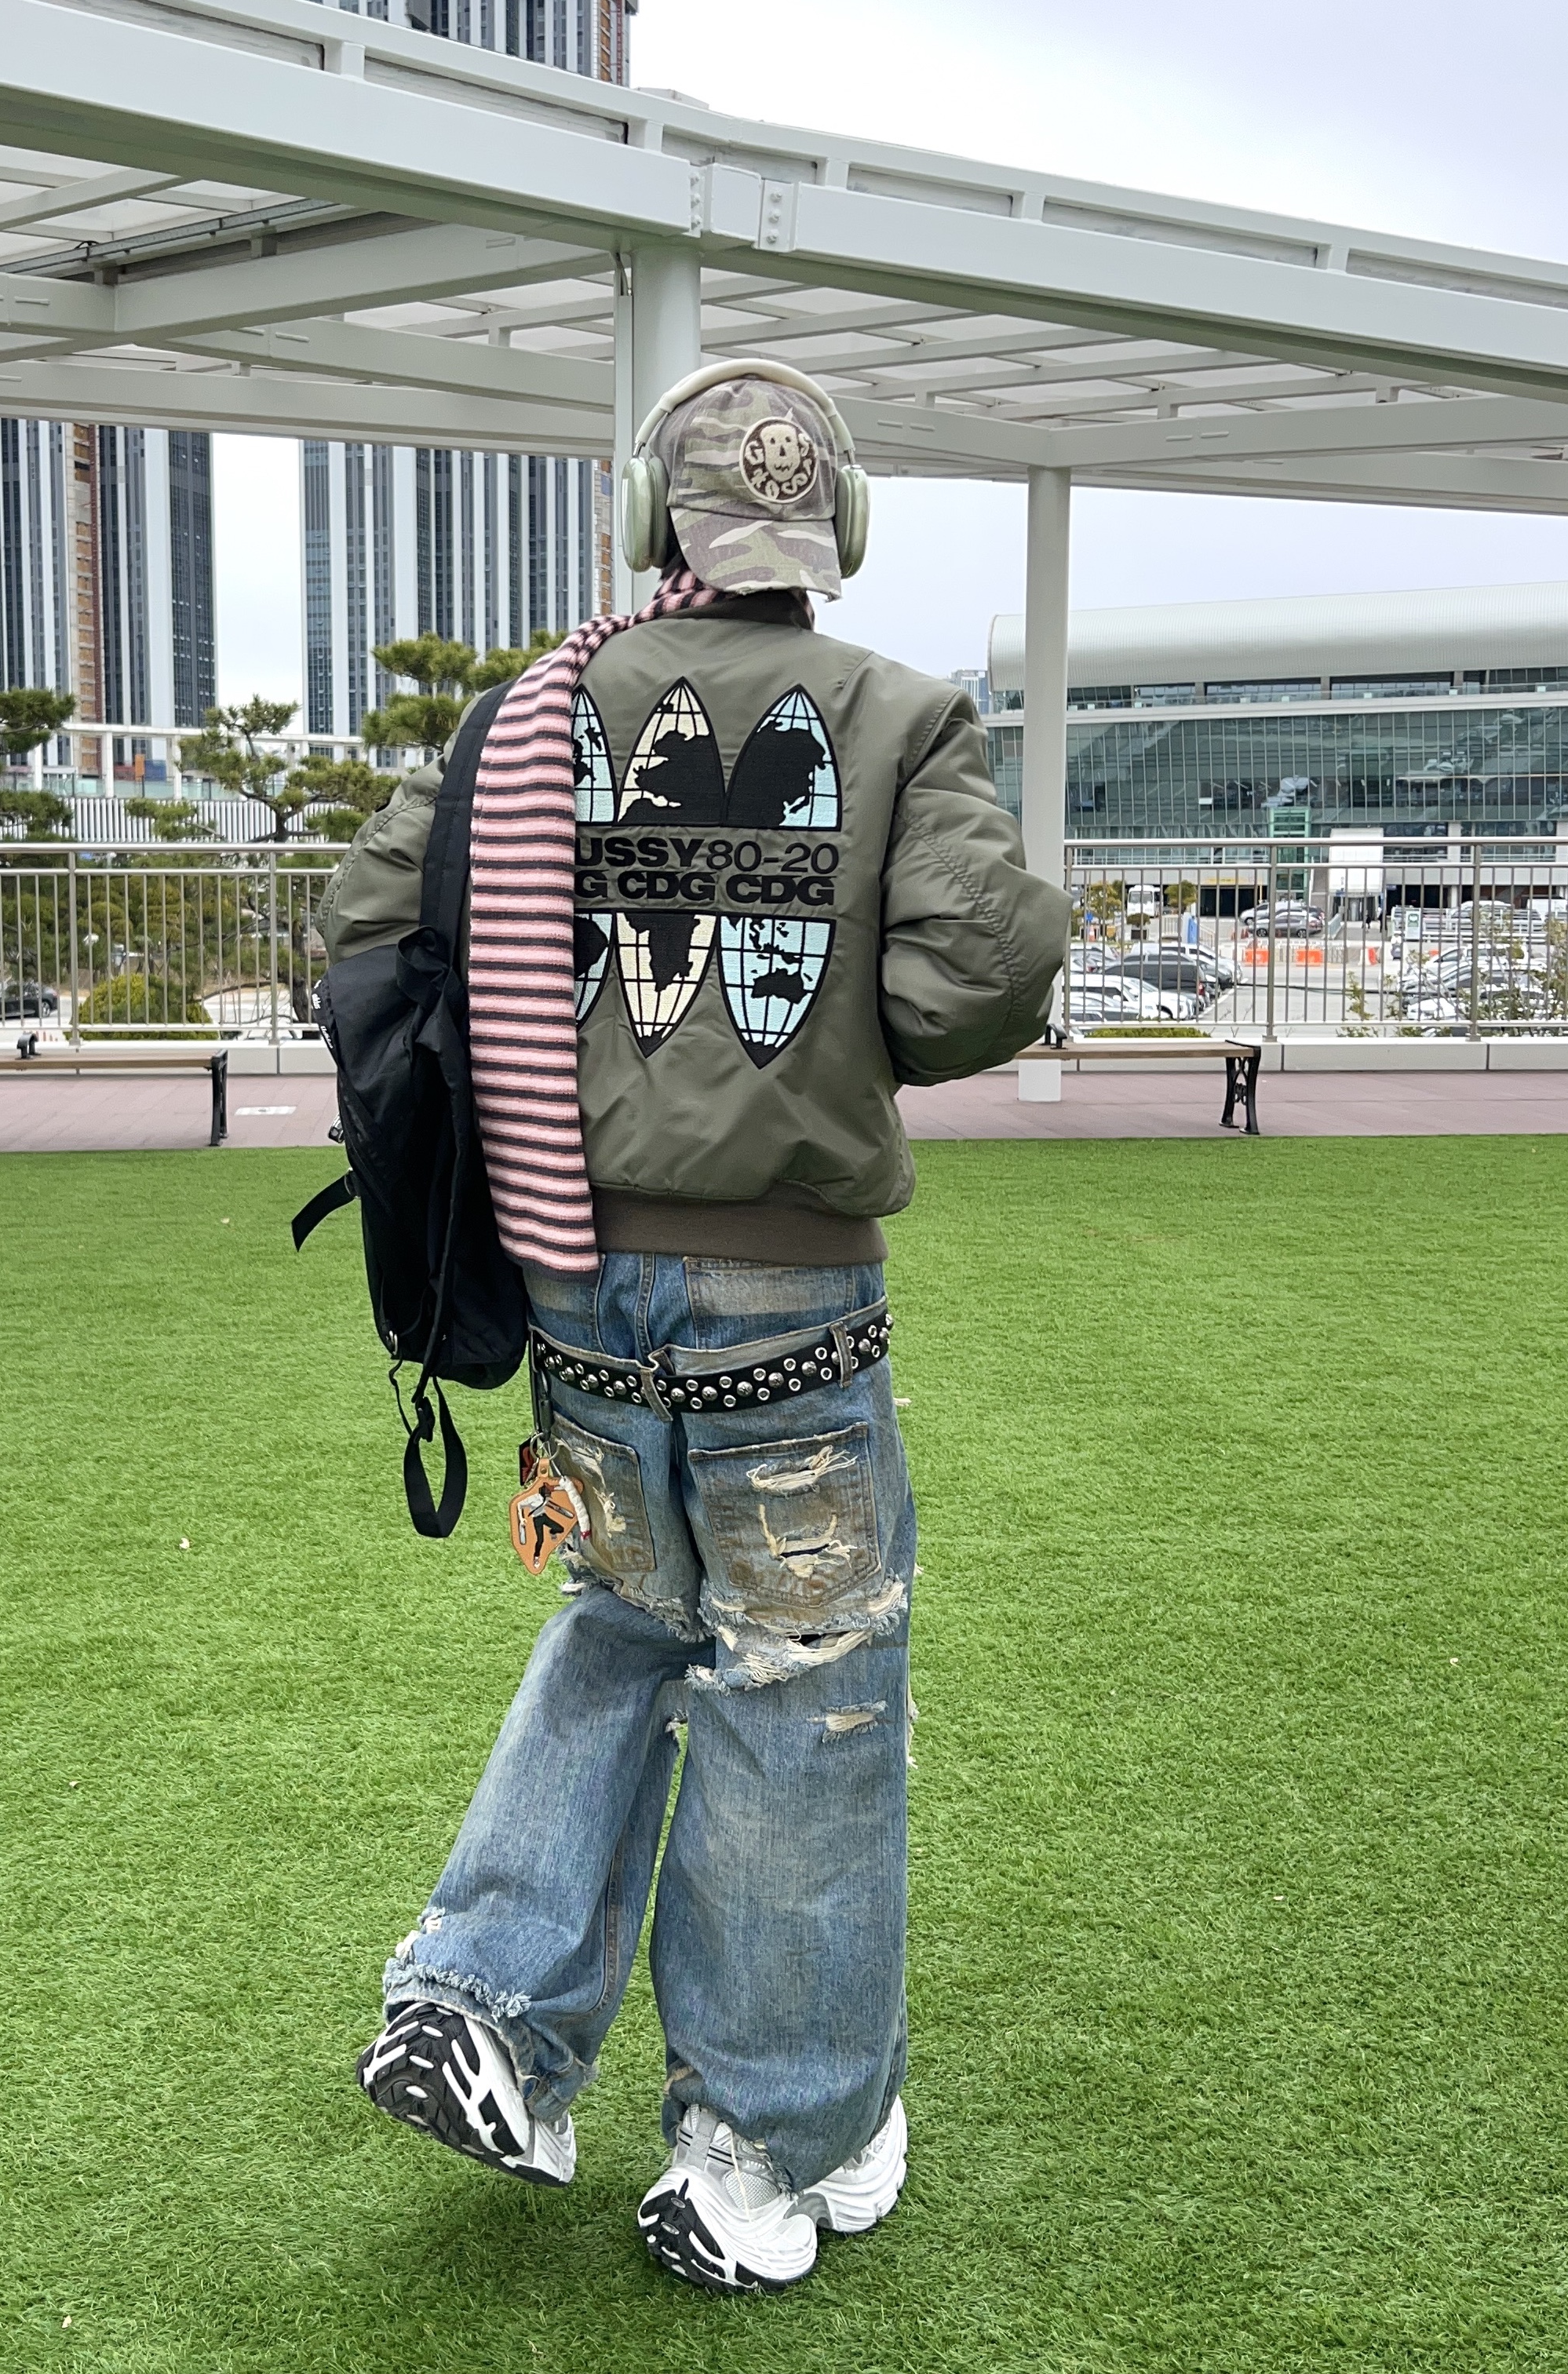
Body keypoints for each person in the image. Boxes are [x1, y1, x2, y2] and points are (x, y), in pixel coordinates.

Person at [322, 359, 1068, 2293]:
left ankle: (484, 2005)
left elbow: (372, 921)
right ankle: (760, 2140)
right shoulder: (905, 717)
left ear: (663, 528)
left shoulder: (533, 711)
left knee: (623, 1617)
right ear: (835, 534)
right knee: (801, 1689)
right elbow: (976, 983)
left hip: (575, 1282)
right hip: (786, 1293)